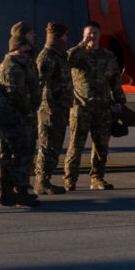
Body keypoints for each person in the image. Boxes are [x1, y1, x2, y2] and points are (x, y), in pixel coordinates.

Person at [0, 25, 44, 207]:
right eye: (30, 34)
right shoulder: (11, 65)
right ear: (21, 42)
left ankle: (8, 193)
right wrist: (30, 108)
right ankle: (19, 191)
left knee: (11, 155)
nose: (34, 36)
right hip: (14, 118)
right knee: (21, 153)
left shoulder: (25, 61)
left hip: (21, 116)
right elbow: (17, 93)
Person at [67, 24, 122, 192]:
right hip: (81, 107)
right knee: (76, 145)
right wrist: (82, 44)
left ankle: (97, 178)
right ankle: (70, 180)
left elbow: (115, 79)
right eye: (88, 33)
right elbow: (67, 60)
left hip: (102, 108)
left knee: (101, 145)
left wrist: (119, 99)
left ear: (100, 35)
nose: (92, 36)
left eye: (95, 33)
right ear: (83, 35)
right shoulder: (78, 54)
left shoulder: (107, 56)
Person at [35, 22, 75, 194]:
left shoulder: (58, 56)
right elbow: (42, 84)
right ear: (58, 37)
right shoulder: (47, 57)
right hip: (50, 111)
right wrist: (49, 107)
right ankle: (41, 181)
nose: (67, 39)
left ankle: (46, 179)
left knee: (54, 146)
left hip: (59, 109)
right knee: (47, 145)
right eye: (66, 35)